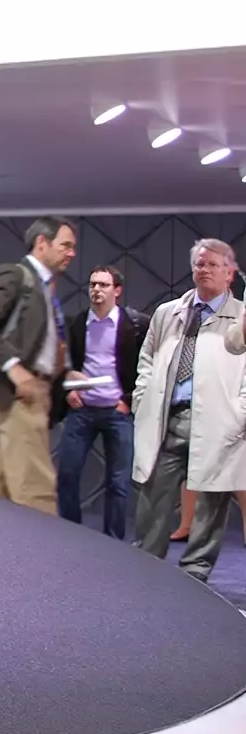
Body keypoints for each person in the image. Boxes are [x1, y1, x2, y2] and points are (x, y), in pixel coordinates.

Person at [129, 238, 246, 581]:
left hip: (219, 423)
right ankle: (147, 569)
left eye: (213, 265)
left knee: (212, 503)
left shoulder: (241, 317)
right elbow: (147, 359)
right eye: (199, 264)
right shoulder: (168, 312)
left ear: (229, 273)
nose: (204, 269)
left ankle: (196, 574)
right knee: (154, 496)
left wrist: (240, 416)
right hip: (169, 418)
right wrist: (141, 398)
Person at [0, 216, 79, 515]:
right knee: (36, 494)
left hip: (32, 394)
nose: (72, 253)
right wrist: (15, 369)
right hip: (20, 397)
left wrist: (64, 372)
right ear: (42, 243)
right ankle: (44, 549)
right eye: (65, 245)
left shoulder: (44, 287)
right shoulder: (17, 276)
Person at [54, 265, 149, 538]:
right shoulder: (78, 322)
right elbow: (64, 363)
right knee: (67, 476)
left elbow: (146, 366)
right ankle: (71, 535)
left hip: (117, 412)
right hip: (82, 409)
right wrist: (69, 390)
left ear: (117, 291)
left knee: (118, 483)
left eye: (103, 285)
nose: (96, 289)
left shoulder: (134, 325)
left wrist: (128, 400)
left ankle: (113, 541)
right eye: (93, 284)